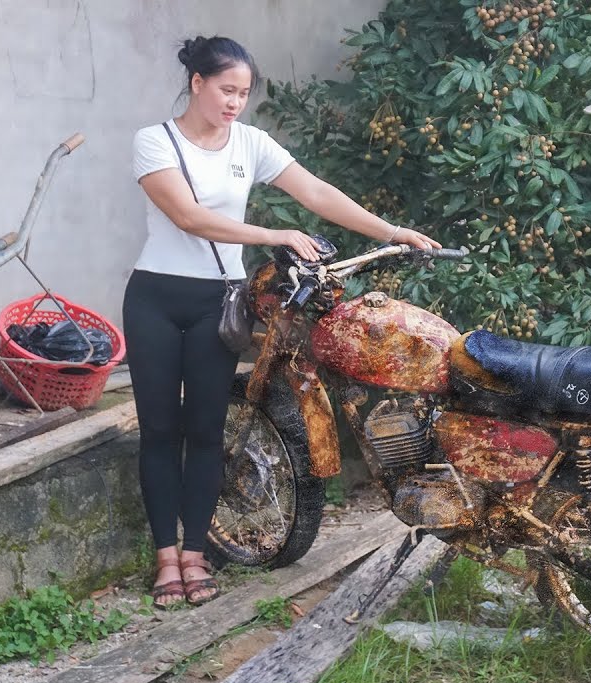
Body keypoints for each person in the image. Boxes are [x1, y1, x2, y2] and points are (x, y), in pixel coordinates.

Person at [125, 35, 438, 608]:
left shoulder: (250, 142)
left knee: (206, 430)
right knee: (160, 431)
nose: (235, 103)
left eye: (243, 93)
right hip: (155, 299)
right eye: (226, 90)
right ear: (197, 83)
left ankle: (194, 555)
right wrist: (276, 234)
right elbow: (189, 217)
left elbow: (315, 191)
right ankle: (165, 558)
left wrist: (391, 231)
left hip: (219, 302)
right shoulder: (155, 141)